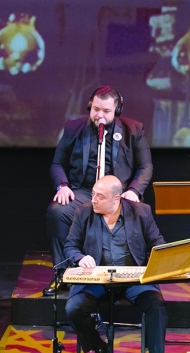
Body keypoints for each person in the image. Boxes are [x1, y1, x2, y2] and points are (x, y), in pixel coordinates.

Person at [62, 175, 174, 353]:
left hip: (132, 278)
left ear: (117, 199)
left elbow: (158, 244)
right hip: (97, 280)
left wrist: (169, 261)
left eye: (100, 196)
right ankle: (100, 348)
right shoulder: (83, 213)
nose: (93, 199)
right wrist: (81, 257)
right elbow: (70, 247)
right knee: (73, 309)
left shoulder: (141, 212)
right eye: (93, 194)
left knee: (156, 305)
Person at [45, 85, 153, 295]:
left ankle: (131, 276)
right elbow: (57, 164)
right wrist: (63, 186)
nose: (99, 115)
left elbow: (145, 166)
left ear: (116, 111)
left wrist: (134, 190)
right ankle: (63, 273)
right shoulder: (73, 129)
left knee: (136, 212)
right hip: (84, 191)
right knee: (57, 212)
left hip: (118, 195)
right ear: (90, 106)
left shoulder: (134, 130)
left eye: (106, 111)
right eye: (96, 109)